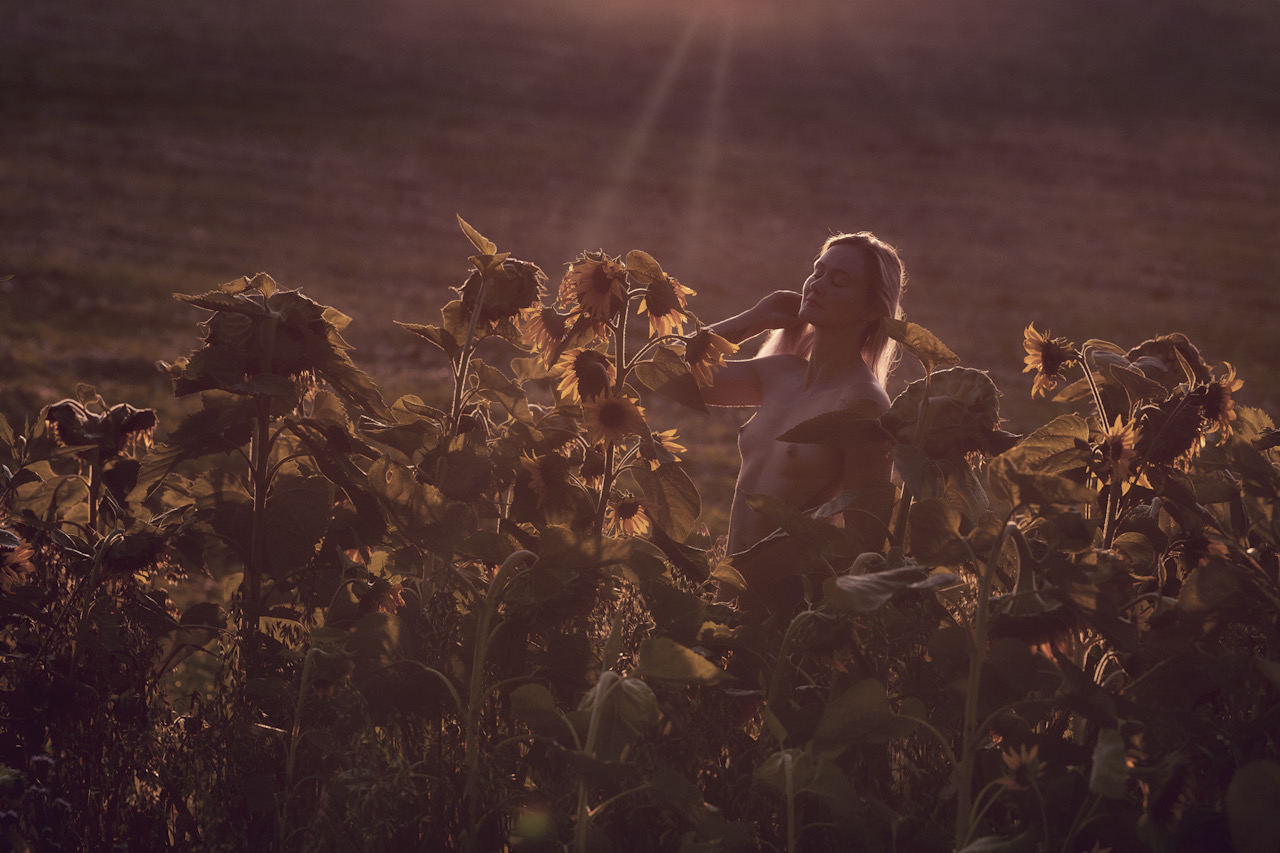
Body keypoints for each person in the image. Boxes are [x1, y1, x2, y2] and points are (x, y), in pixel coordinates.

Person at [702, 231, 907, 621]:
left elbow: (865, 540)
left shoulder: (864, 404)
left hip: (786, 616)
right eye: (818, 272)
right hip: (725, 603)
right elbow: (669, 375)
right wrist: (755, 318)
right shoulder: (781, 374)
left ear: (870, 310)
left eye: (838, 281)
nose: (818, 285)